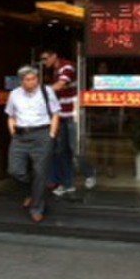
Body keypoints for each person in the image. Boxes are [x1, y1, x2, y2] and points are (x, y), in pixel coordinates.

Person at [5, 65, 60, 223]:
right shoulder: (14, 94)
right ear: (21, 81)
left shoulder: (46, 91)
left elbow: (56, 114)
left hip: (42, 134)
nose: (32, 82)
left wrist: (51, 135)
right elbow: (10, 115)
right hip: (21, 135)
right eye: (28, 80)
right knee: (15, 170)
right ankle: (32, 191)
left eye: (34, 79)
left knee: (40, 172)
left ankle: (37, 208)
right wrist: (13, 133)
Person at [41, 48, 96, 195]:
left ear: (54, 55)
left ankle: (90, 173)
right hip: (61, 115)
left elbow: (61, 85)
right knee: (61, 151)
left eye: (46, 58)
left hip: (73, 114)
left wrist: (39, 91)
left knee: (75, 150)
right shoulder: (54, 70)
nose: (44, 62)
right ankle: (67, 184)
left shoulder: (67, 67)